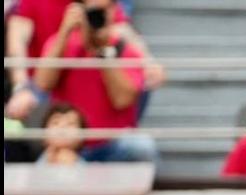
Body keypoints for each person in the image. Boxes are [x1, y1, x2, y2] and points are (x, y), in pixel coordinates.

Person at [31, 0, 156, 162]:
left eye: (103, 10)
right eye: (92, 11)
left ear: (113, 12)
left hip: (111, 146)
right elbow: (42, 84)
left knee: (141, 147)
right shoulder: (61, 43)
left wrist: (104, 51)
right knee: (49, 162)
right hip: (69, 145)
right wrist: (65, 31)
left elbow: (122, 100)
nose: (97, 16)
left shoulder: (127, 49)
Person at [6, 0, 164, 122]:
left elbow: (123, 29)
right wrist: (21, 86)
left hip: (94, 79)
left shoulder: (99, 5)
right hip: (47, 82)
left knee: (139, 78)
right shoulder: (35, 5)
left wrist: (148, 61)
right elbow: (17, 42)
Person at [36, 100, 85, 165]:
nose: (63, 127)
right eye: (56, 123)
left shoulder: (88, 168)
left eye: (70, 123)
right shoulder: (36, 166)